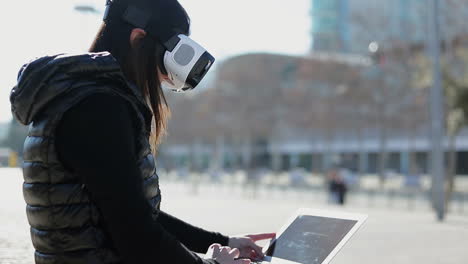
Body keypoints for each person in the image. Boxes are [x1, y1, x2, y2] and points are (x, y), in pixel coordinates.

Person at [9, 0, 274, 264]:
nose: (164, 76)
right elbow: (136, 237)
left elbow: (130, 211)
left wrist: (221, 242)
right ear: (138, 38)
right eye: (166, 56)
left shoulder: (75, 97)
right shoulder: (99, 107)